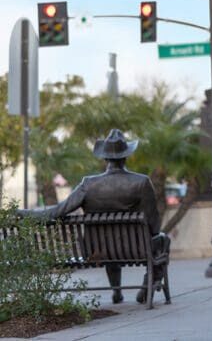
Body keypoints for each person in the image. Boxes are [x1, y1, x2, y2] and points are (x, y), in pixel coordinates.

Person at [18, 129, 168, 305]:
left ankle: (117, 292)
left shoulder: (87, 184)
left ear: (105, 158)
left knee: (109, 240)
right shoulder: (141, 182)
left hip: (97, 250)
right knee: (164, 240)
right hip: (137, 250)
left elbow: (57, 212)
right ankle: (147, 286)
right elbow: (154, 225)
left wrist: (20, 213)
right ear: (126, 156)